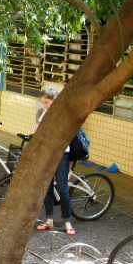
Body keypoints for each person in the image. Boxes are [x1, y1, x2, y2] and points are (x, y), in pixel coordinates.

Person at [32, 87, 75, 236]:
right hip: (47, 154)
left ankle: (67, 221)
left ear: (55, 100)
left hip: (61, 154)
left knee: (63, 189)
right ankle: (49, 220)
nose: (45, 105)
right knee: (47, 188)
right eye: (43, 102)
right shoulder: (45, 113)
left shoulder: (64, 114)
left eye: (47, 102)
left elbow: (62, 133)